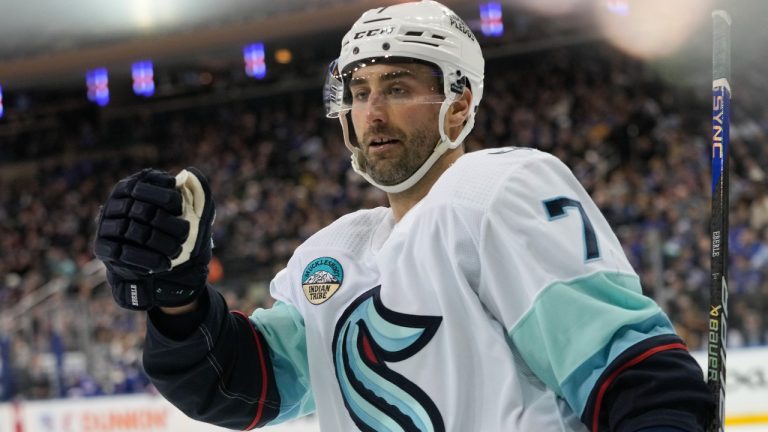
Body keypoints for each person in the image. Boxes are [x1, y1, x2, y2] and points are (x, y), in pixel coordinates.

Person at [94, 1, 713, 431]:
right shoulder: (330, 256)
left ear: (458, 102)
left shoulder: (495, 190)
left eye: (397, 88)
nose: (373, 113)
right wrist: (177, 303)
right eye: (359, 94)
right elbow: (238, 389)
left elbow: (631, 374)